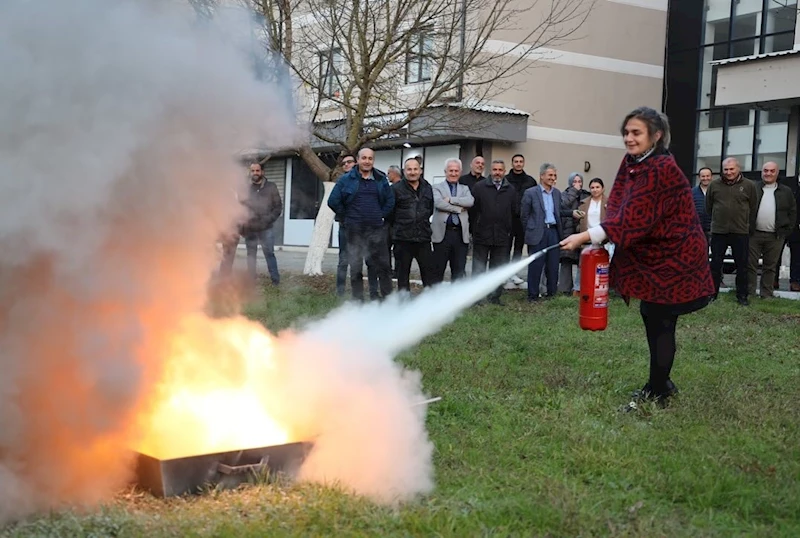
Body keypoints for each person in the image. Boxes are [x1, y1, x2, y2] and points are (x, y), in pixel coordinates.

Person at [560, 106, 714, 408]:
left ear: (656, 136)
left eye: (636, 133)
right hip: (654, 257)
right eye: (626, 133)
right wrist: (603, 233)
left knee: (662, 320)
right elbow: (618, 201)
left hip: (677, 259)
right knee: (652, 316)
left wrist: (586, 236)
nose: (629, 139)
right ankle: (660, 383)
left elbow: (633, 219)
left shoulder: (662, 169)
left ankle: (658, 390)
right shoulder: (632, 162)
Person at [328, 148, 394, 301]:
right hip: (355, 230)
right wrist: (347, 217)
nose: (367, 161)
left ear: (373, 161)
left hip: (376, 230)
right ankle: (358, 300)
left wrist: (380, 215)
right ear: (358, 160)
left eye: (370, 158)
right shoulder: (346, 179)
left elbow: (390, 201)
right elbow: (333, 201)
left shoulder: (381, 179)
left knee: (383, 266)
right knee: (356, 267)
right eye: (364, 158)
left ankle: (386, 300)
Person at [219, 162, 282, 285]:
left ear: (262, 172)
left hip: (266, 227)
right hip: (250, 228)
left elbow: (278, 207)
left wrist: (267, 220)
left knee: (269, 254)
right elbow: (242, 207)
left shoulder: (271, 187)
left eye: (257, 171)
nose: (255, 173)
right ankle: (251, 280)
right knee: (251, 255)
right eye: (252, 171)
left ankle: (275, 281)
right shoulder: (246, 189)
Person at [706, 157, 758, 306]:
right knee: (715, 264)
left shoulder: (749, 185)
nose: (728, 172)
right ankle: (711, 294)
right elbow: (708, 207)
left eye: (731, 169)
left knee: (742, 266)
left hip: (740, 231)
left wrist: (747, 225)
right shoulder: (714, 185)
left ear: (738, 168)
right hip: (719, 232)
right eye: (726, 169)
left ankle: (742, 296)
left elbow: (753, 207)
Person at [747, 161, 796, 298]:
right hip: (753, 234)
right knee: (750, 265)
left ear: (777, 173)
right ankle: (749, 292)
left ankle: (766, 294)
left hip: (775, 235)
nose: (768, 173)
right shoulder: (753, 188)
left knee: (770, 266)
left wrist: (786, 231)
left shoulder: (785, 191)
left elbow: (792, 212)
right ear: (762, 172)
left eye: (771, 171)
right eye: (765, 170)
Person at [471, 159, 517, 305]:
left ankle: (494, 297)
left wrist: (508, 229)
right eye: (495, 169)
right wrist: (475, 229)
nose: (497, 172)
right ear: (491, 171)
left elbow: (514, 211)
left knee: (497, 268)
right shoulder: (479, 187)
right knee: (479, 268)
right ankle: (476, 298)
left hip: (502, 236)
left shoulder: (511, 190)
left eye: (500, 170)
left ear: (504, 172)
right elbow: (473, 211)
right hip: (482, 234)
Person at [521, 163, 563, 301]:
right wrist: (531, 230)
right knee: (536, 266)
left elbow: (558, 213)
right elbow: (524, 216)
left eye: (554, 175)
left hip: (553, 232)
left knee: (553, 266)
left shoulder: (557, 193)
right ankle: (532, 295)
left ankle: (551, 294)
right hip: (537, 233)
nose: (553, 178)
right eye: (550, 175)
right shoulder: (530, 193)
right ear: (542, 176)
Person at [391, 157, 434, 291]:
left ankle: (429, 300)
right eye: (409, 169)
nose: (412, 172)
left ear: (420, 171)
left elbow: (430, 209)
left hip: (423, 238)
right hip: (403, 239)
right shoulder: (395, 189)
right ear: (404, 171)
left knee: (428, 273)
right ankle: (404, 302)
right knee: (402, 273)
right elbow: (390, 213)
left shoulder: (427, 187)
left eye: (415, 169)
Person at [432, 158, 474, 282]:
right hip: (442, 234)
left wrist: (450, 200)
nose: (454, 173)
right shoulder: (436, 187)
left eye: (456, 171)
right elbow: (439, 203)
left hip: (460, 235)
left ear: (460, 172)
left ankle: (455, 298)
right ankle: (436, 297)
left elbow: (470, 201)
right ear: (445, 172)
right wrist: (459, 209)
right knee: (438, 269)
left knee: (459, 270)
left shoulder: (465, 188)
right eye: (451, 171)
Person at [558, 172, 589, 294]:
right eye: (575, 181)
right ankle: (564, 289)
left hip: (581, 231)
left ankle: (580, 288)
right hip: (567, 231)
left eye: (579, 181)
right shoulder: (564, 194)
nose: (578, 184)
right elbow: (563, 205)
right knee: (566, 260)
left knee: (582, 261)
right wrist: (574, 191)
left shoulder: (586, 195)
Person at [335, 154, 356, 296]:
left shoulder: (365, 180)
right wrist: (346, 216)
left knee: (358, 260)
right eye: (344, 163)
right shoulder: (341, 182)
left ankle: (357, 292)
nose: (347, 165)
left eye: (349, 162)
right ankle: (340, 291)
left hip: (362, 228)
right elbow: (334, 202)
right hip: (345, 227)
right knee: (343, 260)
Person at [692, 167, 713, 247]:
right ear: (699, 177)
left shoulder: (717, 192)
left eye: (708, 176)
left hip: (713, 229)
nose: (705, 178)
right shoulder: (692, 192)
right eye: (703, 176)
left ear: (711, 177)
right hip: (697, 229)